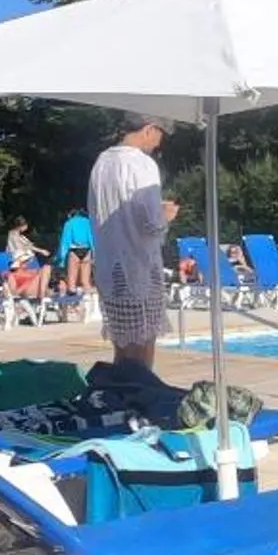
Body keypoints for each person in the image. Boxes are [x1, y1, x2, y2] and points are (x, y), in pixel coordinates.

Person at [87, 115, 179, 370]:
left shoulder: (102, 162)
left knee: (122, 348)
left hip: (109, 266)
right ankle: (139, 402)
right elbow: (151, 224)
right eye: (160, 135)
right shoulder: (142, 164)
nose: (159, 143)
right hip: (138, 267)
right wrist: (166, 216)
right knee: (142, 350)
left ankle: (120, 400)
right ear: (150, 129)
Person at [56, 209, 95, 295]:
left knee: (72, 281)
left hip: (74, 250)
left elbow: (65, 242)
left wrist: (61, 260)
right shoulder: (88, 222)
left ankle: (73, 305)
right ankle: (89, 304)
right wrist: (94, 254)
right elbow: (92, 239)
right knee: (85, 281)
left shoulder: (69, 223)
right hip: (87, 250)